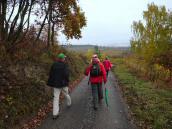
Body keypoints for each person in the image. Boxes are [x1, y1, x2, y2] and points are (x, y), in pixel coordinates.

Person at [47, 53, 71, 119]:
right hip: (63, 84)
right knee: (66, 94)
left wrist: (50, 83)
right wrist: (67, 81)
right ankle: (69, 103)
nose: (65, 59)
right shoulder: (65, 65)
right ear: (62, 59)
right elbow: (66, 75)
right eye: (64, 58)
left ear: (58, 58)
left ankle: (55, 114)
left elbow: (51, 75)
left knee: (56, 98)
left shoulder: (54, 65)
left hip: (56, 84)